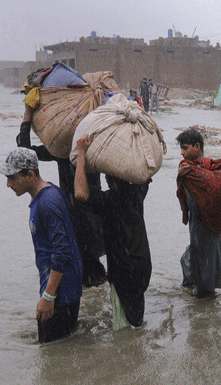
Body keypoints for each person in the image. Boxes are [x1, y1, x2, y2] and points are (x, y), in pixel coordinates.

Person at [2, 147, 83, 343]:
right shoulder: (49, 194)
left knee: (52, 356)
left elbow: (61, 251)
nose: (8, 184)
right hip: (64, 289)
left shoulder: (47, 202)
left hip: (60, 293)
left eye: (12, 178)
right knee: (62, 349)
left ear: (30, 175)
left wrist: (48, 297)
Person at [73, 133, 152, 330]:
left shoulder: (110, 201)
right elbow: (147, 170)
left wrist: (81, 153)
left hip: (123, 269)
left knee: (125, 325)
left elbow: (80, 193)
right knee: (135, 316)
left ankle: (131, 353)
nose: (106, 178)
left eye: (108, 174)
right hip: (142, 264)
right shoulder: (137, 193)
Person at [17, 119, 107, 288]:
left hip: (75, 216)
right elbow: (26, 153)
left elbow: (26, 151)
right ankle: (97, 310)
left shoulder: (63, 151)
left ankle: (84, 309)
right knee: (92, 273)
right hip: (92, 217)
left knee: (80, 271)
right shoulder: (92, 148)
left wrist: (27, 119)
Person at [176, 128, 221, 298]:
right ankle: (203, 302)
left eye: (185, 148)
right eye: (181, 149)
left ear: (197, 147)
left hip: (208, 223)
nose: (182, 153)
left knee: (206, 263)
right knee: (199, 259)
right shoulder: (188, 169)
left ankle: (204, 304)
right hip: (196, 222)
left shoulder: (209, 169)